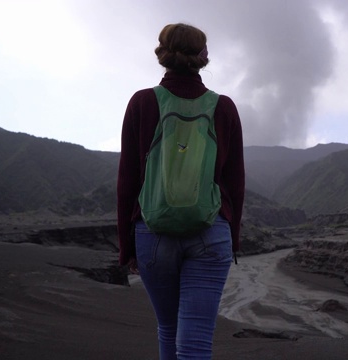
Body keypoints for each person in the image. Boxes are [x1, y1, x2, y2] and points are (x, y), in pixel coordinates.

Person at [117, 23, 245, 359]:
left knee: (168, 330)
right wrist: (233, 236)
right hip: (210, 232)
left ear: (163, 54)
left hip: (153, 233)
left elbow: (127, 181)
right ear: (202, 56)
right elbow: (235, 183)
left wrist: (126, 245)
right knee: (196, 340)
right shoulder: (224, 107)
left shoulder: (142, 103)